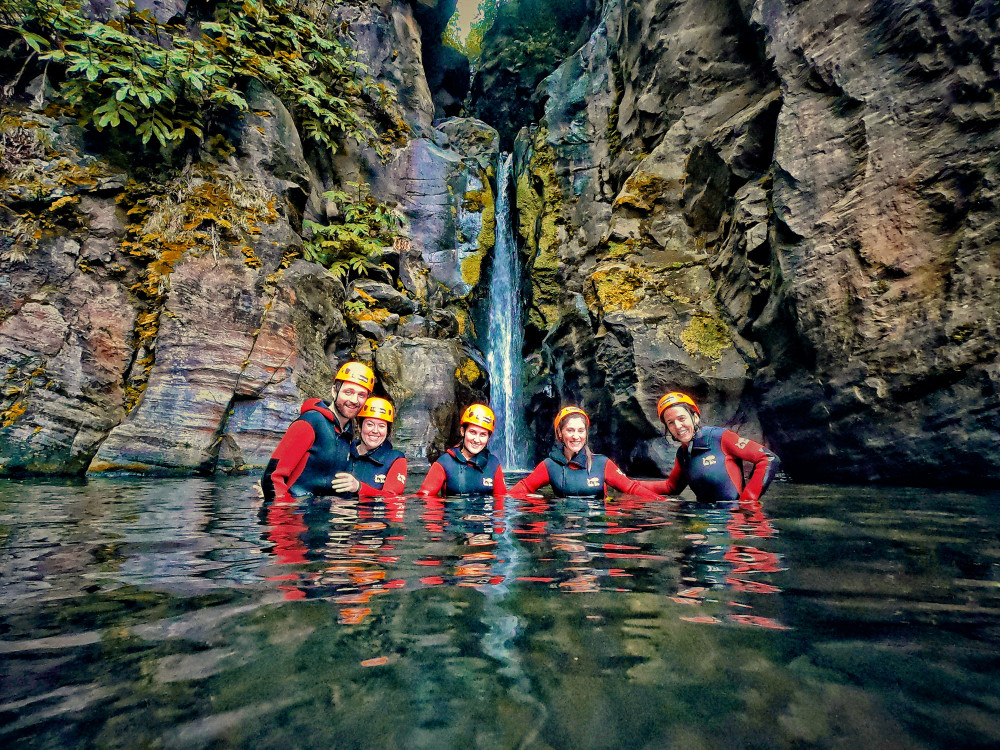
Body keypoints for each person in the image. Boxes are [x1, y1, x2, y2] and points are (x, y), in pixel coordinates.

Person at [260, 361, 376, 500]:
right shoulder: (310, 422)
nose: (354, 400)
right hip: (295, 512)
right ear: (334, 391)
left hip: (324, 515)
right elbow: (273, 477)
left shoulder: (347, 433)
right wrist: (283, 514)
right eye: (348, 392)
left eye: (361, 395)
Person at [643, 391, 779, 503]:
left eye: (682, 418)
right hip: (703, 521)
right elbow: (671, 487)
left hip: (733, 524)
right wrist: (626, 483)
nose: (678, 426)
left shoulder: (720, 437)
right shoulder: (682, 454)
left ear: (694, 417)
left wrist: (747, 502)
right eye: (671, 423)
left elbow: (768, 458)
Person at [509, 406, 660, 500]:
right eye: (570, 430)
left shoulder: (602, 463)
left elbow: (632, 488)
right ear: (560, 434)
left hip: (594, 530)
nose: (576, 436)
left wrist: (663, 504)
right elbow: (521, 488)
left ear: (586, 434)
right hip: (562, 532)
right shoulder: (550, 465)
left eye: (581, 431)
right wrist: (537, 505)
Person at [418, 404, 506, 498]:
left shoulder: (494, 464)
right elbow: (425, 498)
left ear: (489, 437)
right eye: (473, 432)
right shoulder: (444, 463)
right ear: (463, 431)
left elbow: (501, 502)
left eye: (483, 435)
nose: (476, 440)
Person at [329, 396, 408, 496]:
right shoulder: (343, 450)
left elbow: (392, 497)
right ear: (359, 427)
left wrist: (359, 487)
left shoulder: (395, 459)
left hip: (372, 510)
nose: (375, 431)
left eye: (381, 426)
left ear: (387, 431)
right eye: (370, 424)